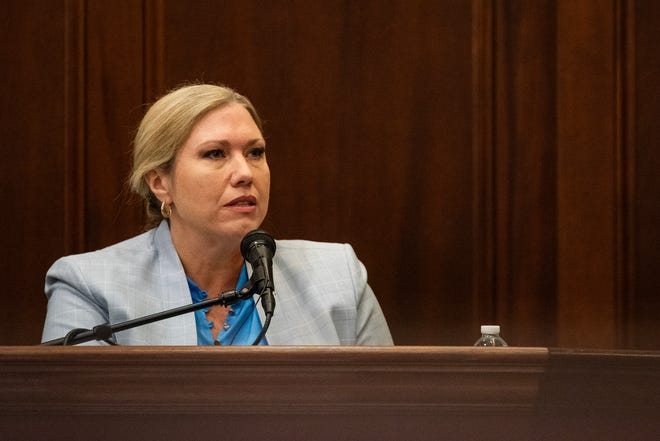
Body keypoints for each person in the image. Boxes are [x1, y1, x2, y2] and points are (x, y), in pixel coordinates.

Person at [41, 83, 393, 346]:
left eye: (255, 152)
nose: (245, 173)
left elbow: (387, 412)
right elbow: (72, 418)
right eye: (215, 154)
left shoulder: (338, 276)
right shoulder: (89, 285)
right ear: (160, 183)